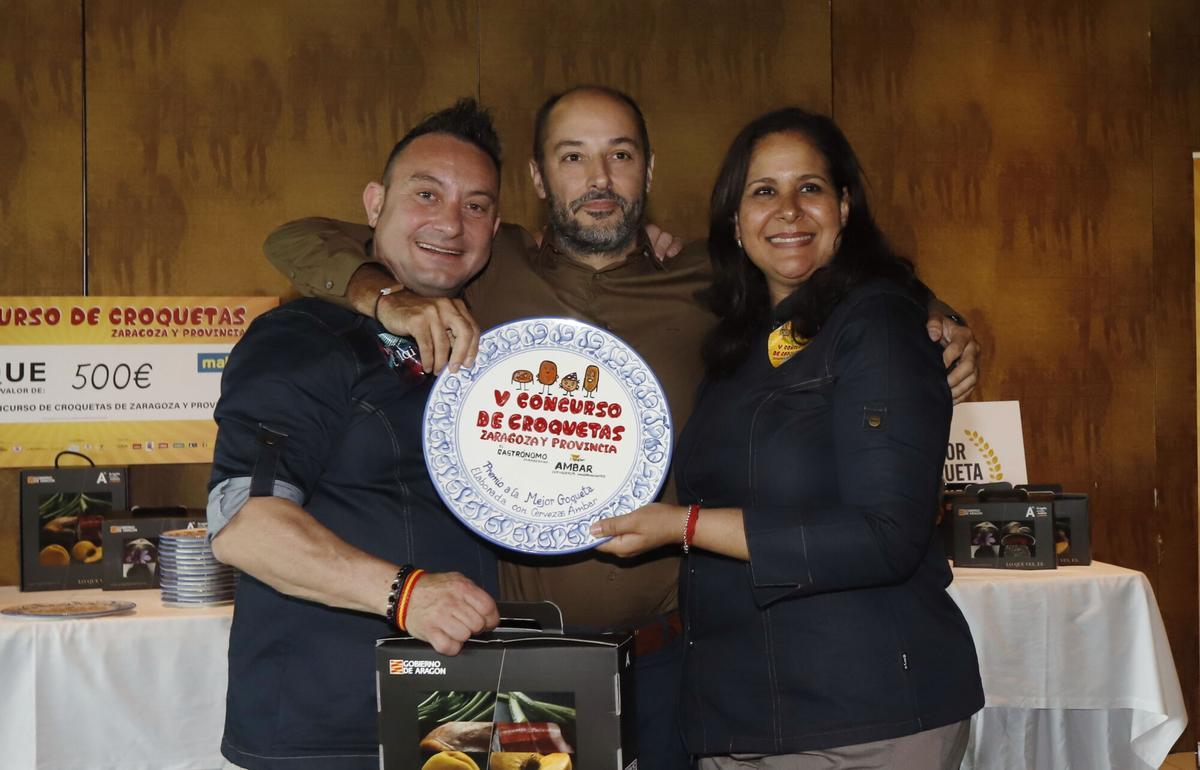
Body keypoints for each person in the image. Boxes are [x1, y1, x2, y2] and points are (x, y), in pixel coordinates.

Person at [262, 85, 981, 770]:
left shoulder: (713, 280)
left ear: (648, 170)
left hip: (674, 664)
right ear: (541, 178)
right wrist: (384, 297)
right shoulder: (481, 260)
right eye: (572, 156)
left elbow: (834, 273)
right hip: (511, 660)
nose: (598, 177)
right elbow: (300, 238)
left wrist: (936, 315)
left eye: (621, 154)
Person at [591, 107, 984, 769]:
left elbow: (885, 536)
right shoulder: (736, 342)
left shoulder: (881, 322)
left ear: (845, 206)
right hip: (738, 715)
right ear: (735, 219)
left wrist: (681, 526)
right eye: (763, 191)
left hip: (861, 717)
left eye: (810, 188)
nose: (789, 211)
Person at [206, 99, 503, 770]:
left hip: (450, 715)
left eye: (477, 205)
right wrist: (406, 593)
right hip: (329, 727)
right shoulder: (303, 336)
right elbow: (244, 524)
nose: (451, 223)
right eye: (427, 193)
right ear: (374, 204)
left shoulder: (473, 344)